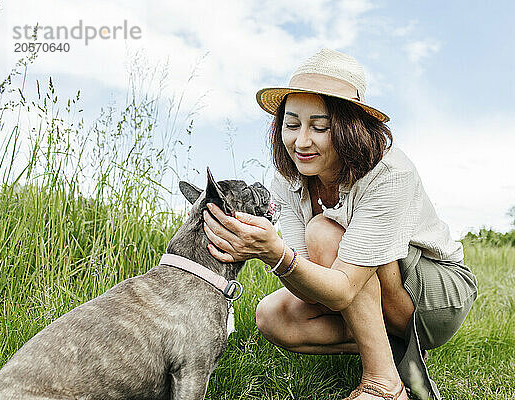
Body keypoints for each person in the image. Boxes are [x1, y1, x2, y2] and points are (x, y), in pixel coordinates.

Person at [202, 48, 478, 400]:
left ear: (349, 127)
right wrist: (274, 254)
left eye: (320, 127)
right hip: (361, 285)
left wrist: (275, 254)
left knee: (323, 230)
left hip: (431, 294)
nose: (301, 142)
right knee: (271, 316)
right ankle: (397, 353)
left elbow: (344, 288)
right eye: (291, 124)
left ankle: (385, 385)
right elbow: (309, 285)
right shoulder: (286, 181)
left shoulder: (391, 173)